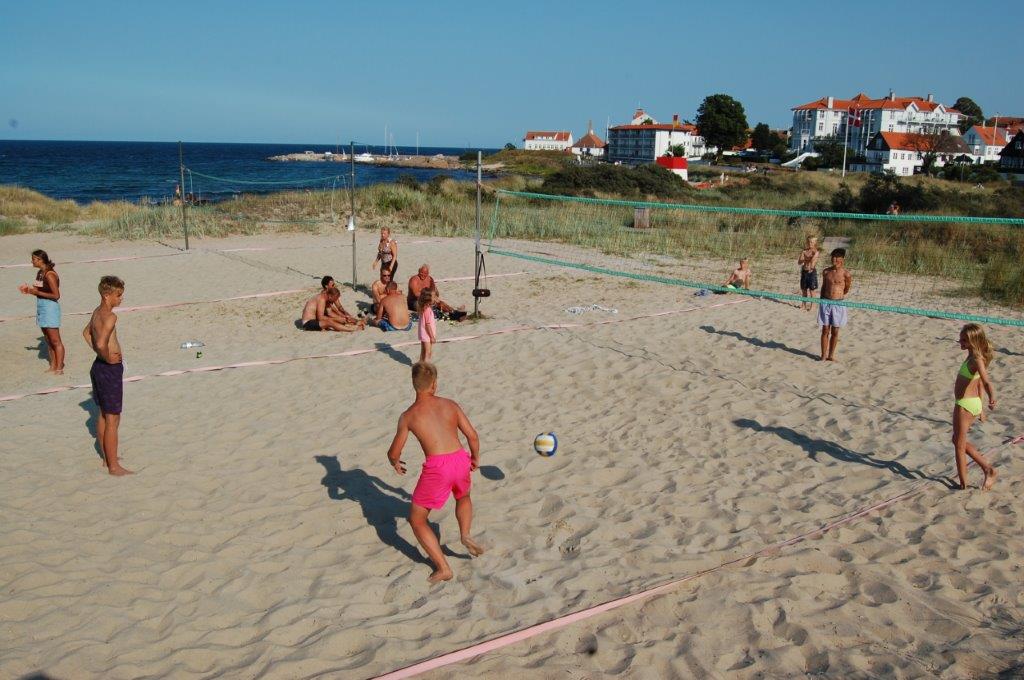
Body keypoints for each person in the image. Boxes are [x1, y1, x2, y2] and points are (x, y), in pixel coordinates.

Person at [386, 361, 482, 583]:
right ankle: (465, 534)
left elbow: (394, 452)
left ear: (414, 385)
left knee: (417, 519)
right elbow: (473, 435)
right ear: (434, 385)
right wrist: (474, 457)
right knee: (463, 496)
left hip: (437, 467)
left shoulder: (408, 416)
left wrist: (394, 462)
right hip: (459, 458)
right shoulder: (450, 404)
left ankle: (443, 568)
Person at [82, 276, 132, 476]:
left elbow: (86, 333)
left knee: (103, 414)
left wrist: (99, 356)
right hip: (108, 369)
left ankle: (107, 458)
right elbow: (101, 343)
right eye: (118, 295)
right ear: (106, 295)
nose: (121, 299)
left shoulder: (97, 312)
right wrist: (106, 357)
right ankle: (113, 467)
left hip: (98, 367)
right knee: (113, 419)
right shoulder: (110, 317)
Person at [951, 324, 998, 491]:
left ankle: (963, 484)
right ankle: (987, 469)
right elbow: (976, 382)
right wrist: (981, 408)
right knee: (957, 440)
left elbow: (985, 381)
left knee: (959, 445)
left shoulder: (976, 359)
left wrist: (992, 397)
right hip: (971, 403)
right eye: (960, 338)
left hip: (965, 405)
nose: (960, 342)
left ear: (973, 341)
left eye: (964, 340)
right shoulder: (973, 355)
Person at [18, 249, 65, 374]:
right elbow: (37, 289)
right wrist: (28, 289)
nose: (32, 261)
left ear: (40, 260)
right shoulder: (40, 273)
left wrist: (36, 292)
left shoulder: (50, 274)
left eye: (34, 259)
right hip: (41, 306)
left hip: (50, 307)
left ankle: (60, 368)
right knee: (48, 340)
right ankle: (53, 365)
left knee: (55, 340)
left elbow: (56, 295)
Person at [818, 248, 853, 362]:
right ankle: (823, 356)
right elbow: (823, 287)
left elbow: (846, 289)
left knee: (835, 331)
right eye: (833, 257)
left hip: (838, 304)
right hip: (826, 302)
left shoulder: (846, 274)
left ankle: (831, 355)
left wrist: (838, 296)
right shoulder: (826, 272)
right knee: (825, 329)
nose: (835, 259)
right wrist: (821, 301)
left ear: (843, 259)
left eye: (838, 257)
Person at [797, 235, 820, 312]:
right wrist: (804, 256)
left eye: (812, 242)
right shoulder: (804, 251)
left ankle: (812, 306)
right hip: (804, 271)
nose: (810, 243)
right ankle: (803, 305)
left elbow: (812, 262)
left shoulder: (816, 252)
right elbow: (799, 262)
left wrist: (806, 258)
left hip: (811, 272)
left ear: (815, 243)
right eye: (809, 241)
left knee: (812, 290)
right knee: (803, 289)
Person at [417, 288, 437, 362]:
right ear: (428, 299)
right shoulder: (427, 310)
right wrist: (432, 337)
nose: (435, 298)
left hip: (423, 334)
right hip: (427, 335)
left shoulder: (423, 308)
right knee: (428, 353)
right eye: (434, 297)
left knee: (423, 352)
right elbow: (427, 325)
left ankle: (420, 365)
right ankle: (425, 368)